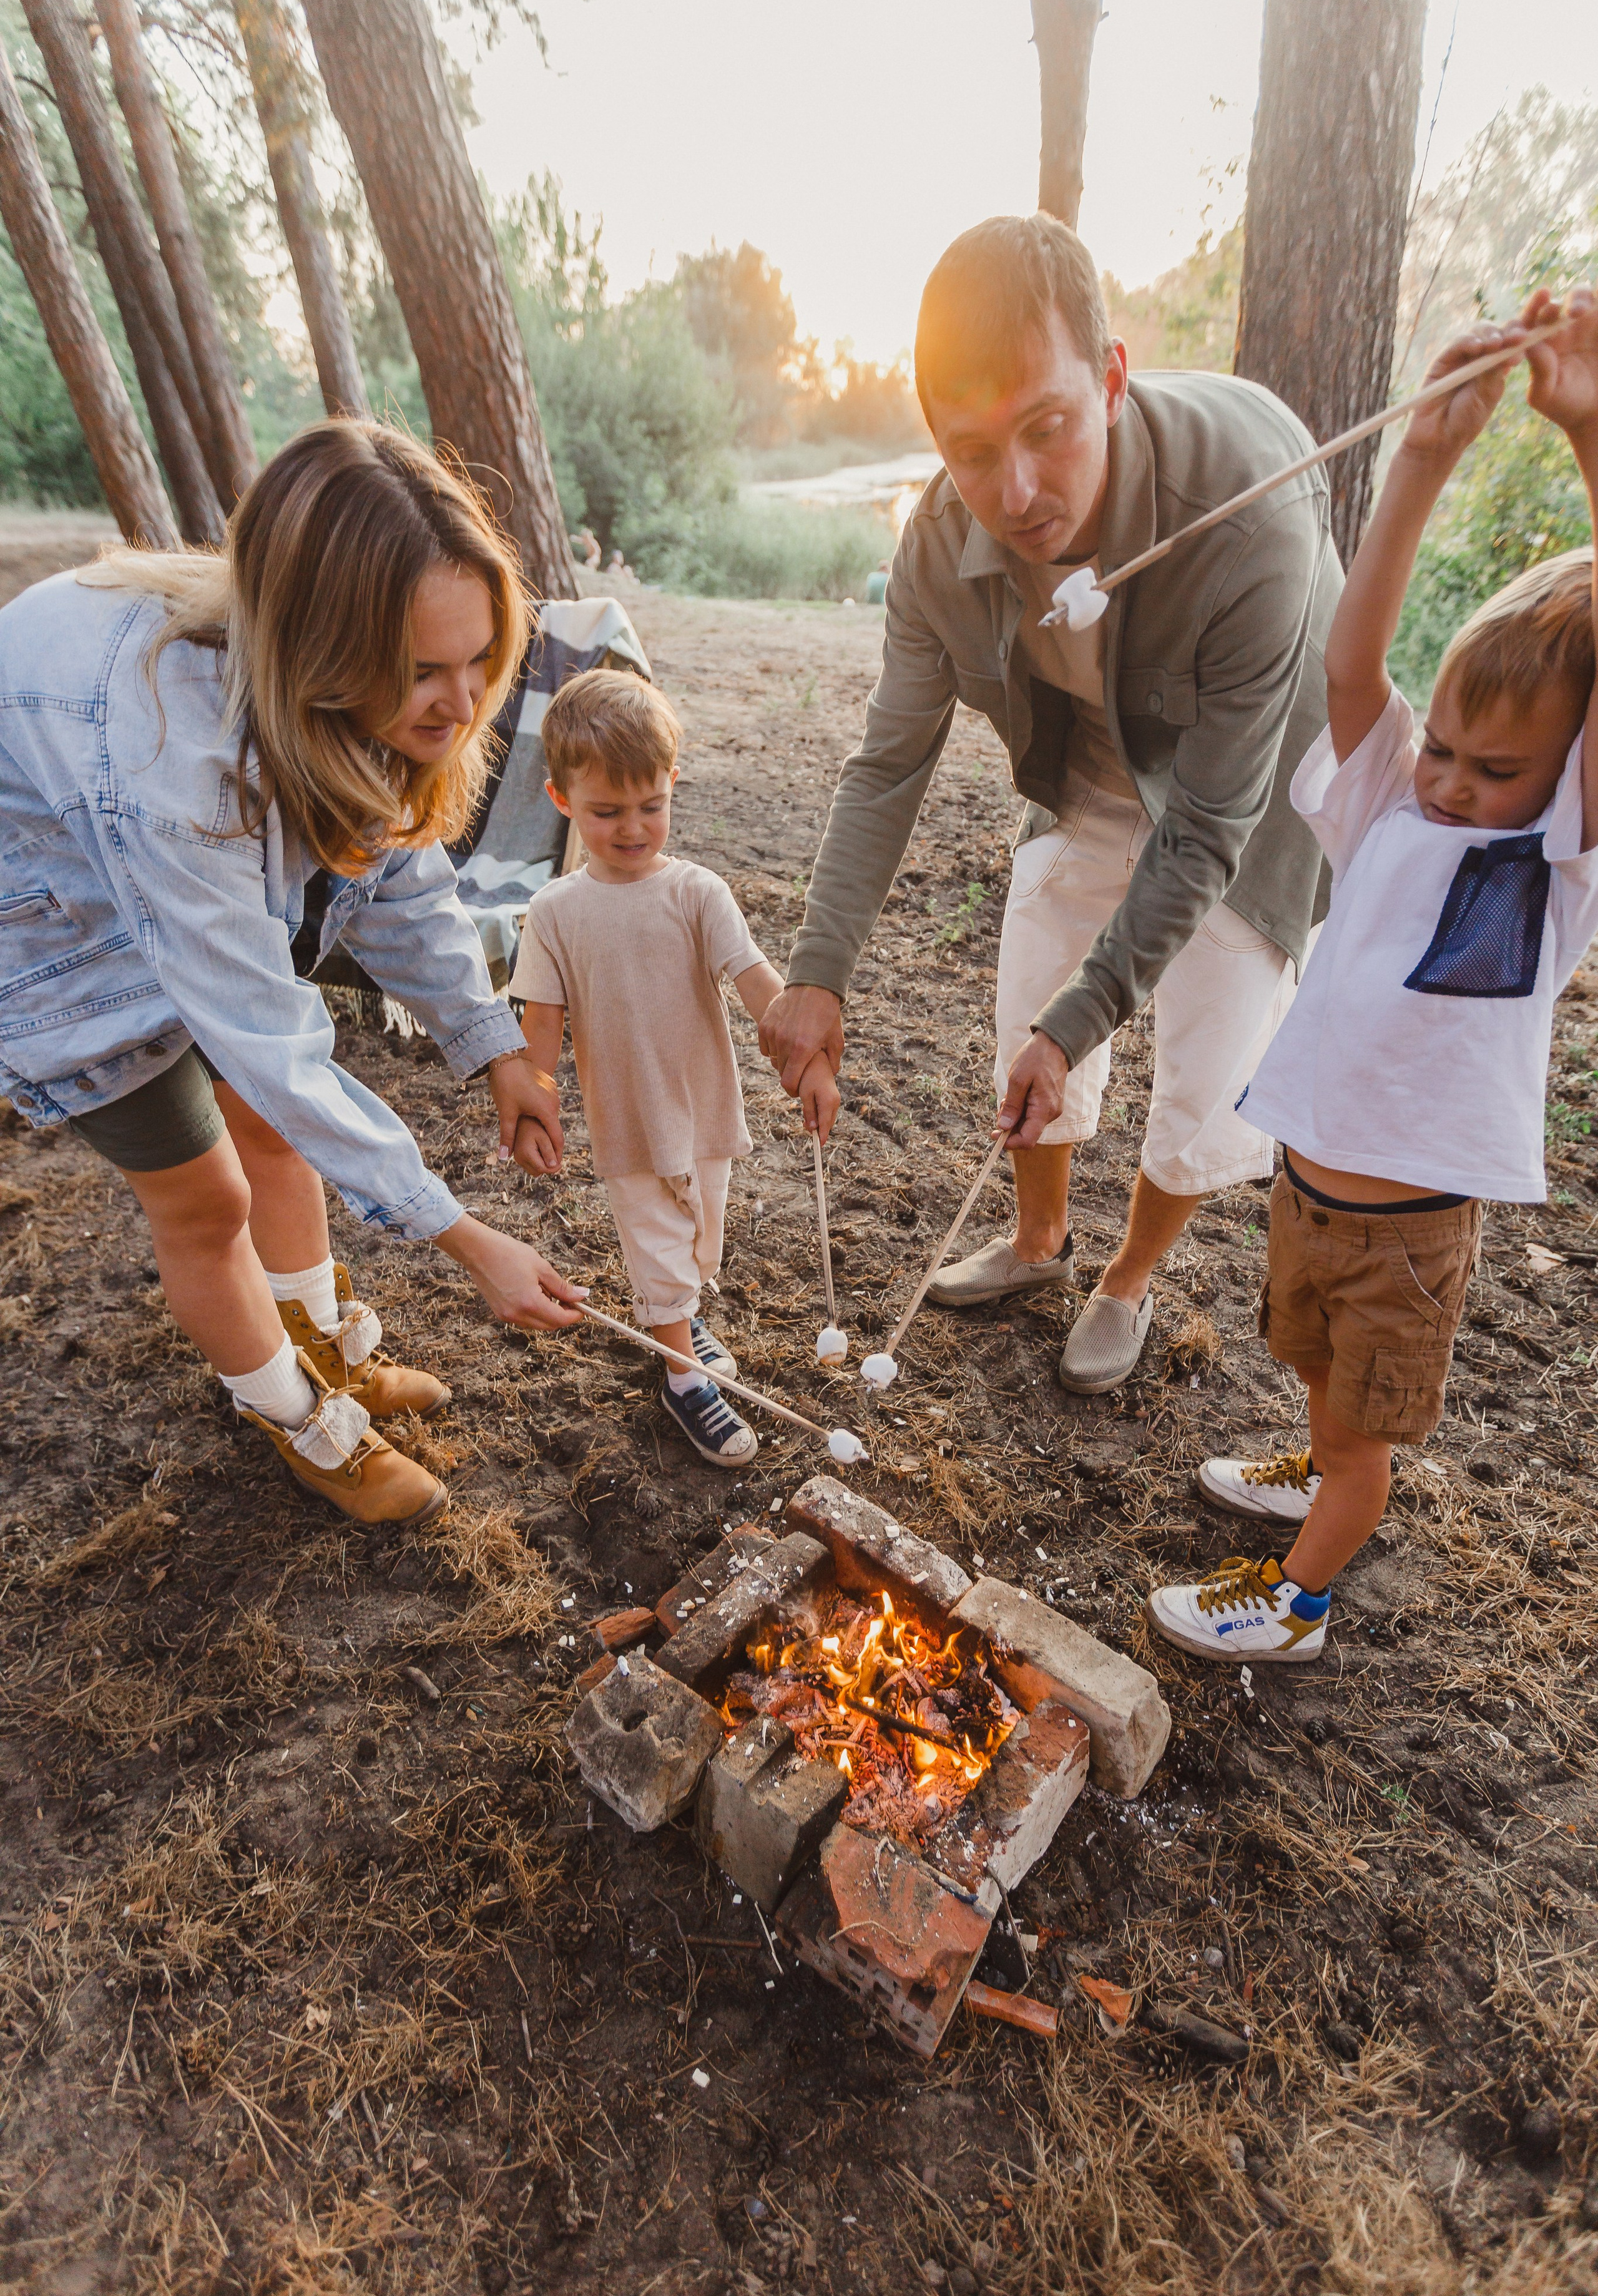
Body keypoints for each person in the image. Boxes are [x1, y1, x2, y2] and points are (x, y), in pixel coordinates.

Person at [760, 213, 1341, 1395]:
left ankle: (1126, 1278)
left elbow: (1211, 827)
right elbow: (889, 763)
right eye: (972, 450)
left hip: (1253, 790)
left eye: (1049, 428)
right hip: (1097, 761)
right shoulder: (937, 545)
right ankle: (1037, 1242)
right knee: (1036, 979)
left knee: (1207, 1055)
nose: (1016, 491)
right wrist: (817, 973)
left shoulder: (1249, 515)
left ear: (1113, 377)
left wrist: (1088, 1021)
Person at [0, 419, 582, 1528]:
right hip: (48, 911)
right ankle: (290, 1416)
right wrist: (462, 1237)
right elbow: (271, 1043)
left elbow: (403, 879)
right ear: (324, 644)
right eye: (424, 674)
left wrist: (492, 1043)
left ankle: (323, 1345)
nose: (461, 707)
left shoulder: (353, 700)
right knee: (205, 1195)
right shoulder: (178, 762)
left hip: (166, 870)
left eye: (479, 663)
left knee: (267, 1135)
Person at [1146, 289, 1598, 1663]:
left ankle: (1298, 1601)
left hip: (1409, 1233)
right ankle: (1319, 1466)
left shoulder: (1556, 858)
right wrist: (1422, 456)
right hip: (1308, 1191)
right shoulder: (1390, 804)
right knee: (1313, 1382)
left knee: (1361, 1437)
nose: (1456, 783)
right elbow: (1349, 659)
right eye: (1448, 748)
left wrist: (1583, 431)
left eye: (1494, 768)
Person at [508, 669, 836, 1466]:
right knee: (655, 1243)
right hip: (628, 1116)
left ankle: (680, 1314)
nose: (630, 828)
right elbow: (541, 1019)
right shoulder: (555, 911)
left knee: (696, 1238)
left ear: (672, 787)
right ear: (562, 802)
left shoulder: (698, 892)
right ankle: (683, 1376)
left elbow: (756, 981)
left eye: (649, 806)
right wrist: (534, 1103)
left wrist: (806, 1058)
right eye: (605, 812)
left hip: (705, 1106)